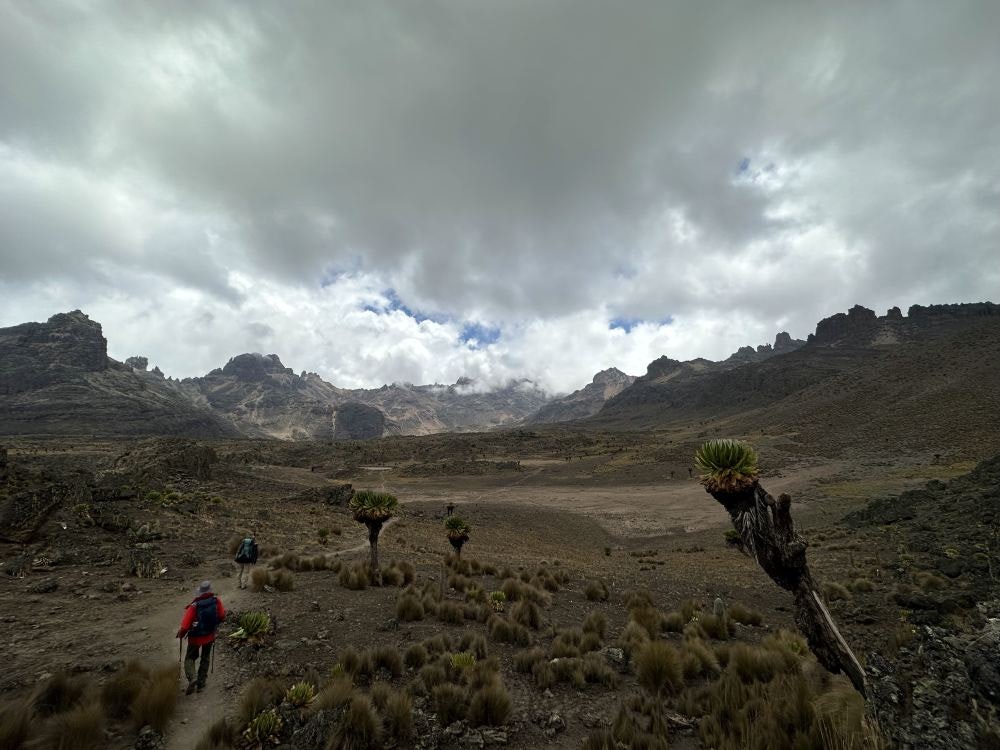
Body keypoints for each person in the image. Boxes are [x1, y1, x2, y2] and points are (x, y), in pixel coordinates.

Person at [176, 580, 226, 694]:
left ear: (200, 593)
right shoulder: (216, 601)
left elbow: (185, 626)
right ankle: (201, 683)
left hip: (195, 638)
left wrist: (181, 634)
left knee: (190, 658)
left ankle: (192, 677)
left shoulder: (194, 606)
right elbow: (222, 616)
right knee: (205, 658)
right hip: (210, 636)